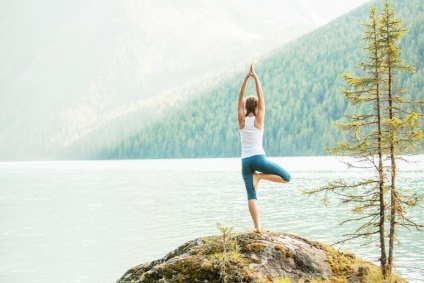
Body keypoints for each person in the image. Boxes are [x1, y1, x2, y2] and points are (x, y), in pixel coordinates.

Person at [238, 64, 291, 233]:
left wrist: (246, 79)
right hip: (259, 158)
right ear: (257, 107)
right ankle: (259, 178)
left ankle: (257, 227)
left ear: (246, 108)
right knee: (286, 177)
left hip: (245, 161)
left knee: (251, 196)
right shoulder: (259, 119)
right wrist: (256, 78)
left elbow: (240, 99)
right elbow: (262, 97)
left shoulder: (241, 120)